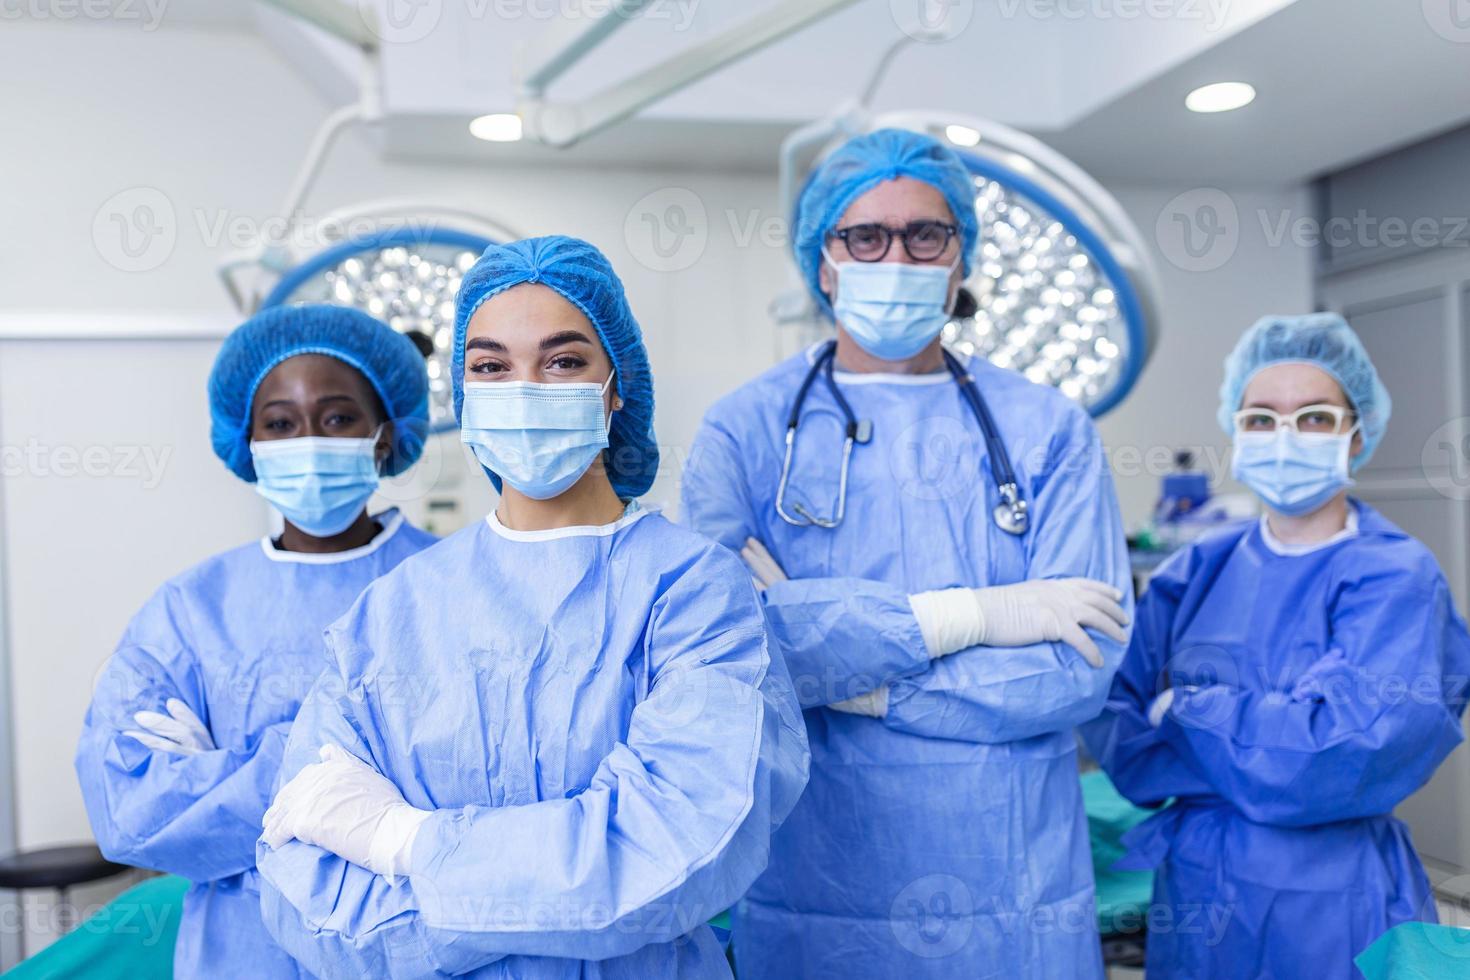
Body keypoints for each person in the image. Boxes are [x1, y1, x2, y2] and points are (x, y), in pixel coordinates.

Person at [256, 236, 809, 980]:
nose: (525, 387)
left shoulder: (691, 591)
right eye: (490, 366)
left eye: (563, 361)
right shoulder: (394, 608)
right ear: (464, 392)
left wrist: (404, 843)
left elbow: (673, 850)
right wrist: (535, 897)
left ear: (617, 387)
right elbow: (304, 887)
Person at [680, 128, 1133, 979]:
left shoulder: (1049, 433)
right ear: (823, 261)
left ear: (959, 257)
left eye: (926, 233)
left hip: (1012, 893)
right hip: (817, 883)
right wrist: (979, 621)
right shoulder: (744, 433)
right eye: (865, 236)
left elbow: (1079, 665)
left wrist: (856, 680)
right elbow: (723, 650)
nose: (897, 255)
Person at [1083, 313, 1470, 979]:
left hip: (1335, 895)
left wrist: (1185, 711)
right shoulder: (1194, 570)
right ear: (1235, 433)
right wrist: (1269, 732)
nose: (1284, 436)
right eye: (1261, 418)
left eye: (1314, 417)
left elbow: (1338, 757)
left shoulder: (1394, 577)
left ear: (1355, 437)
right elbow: (1117, 726)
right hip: (1199, 889)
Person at [75, 304, 437, 978]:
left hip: (413, 948)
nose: (307, 439)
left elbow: (488, 785)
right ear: (249, 441)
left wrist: (229, 777)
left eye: (337, 418)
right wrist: (355, 781)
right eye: (279, 423)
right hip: (240, 956)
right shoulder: (193, 608)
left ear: (383, 435)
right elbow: (130, 808)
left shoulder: (449, 586)